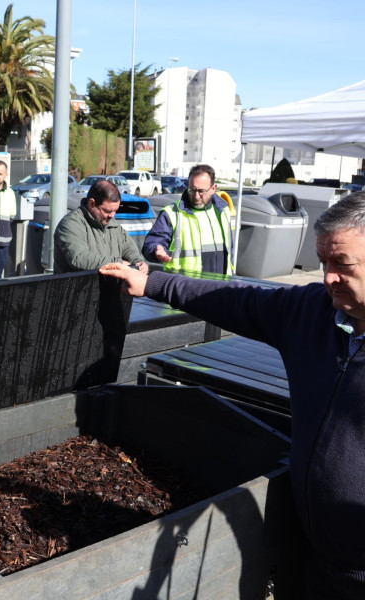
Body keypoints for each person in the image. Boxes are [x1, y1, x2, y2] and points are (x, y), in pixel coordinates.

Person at [99, 191, 365, 599]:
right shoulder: (313, 312)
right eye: (322, 261)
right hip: (311, 556)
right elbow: (233, 299)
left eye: (341, 264)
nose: (327, 277)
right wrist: (152, 282)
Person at [142, 163, 233, 274]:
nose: (196, 196)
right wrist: (157, 250)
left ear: (213, 188)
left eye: (201, 191)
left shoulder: (223, 211)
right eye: (192, 190)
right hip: (185, 287)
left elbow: (229, 250)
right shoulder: (172, 213)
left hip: (220, 286)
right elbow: (151, 243)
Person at [53, 179, 149, 275]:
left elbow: (129, 249)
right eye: (107, 211)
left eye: (115, 210)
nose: (112, 215)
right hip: (76, 288)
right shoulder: (70, 224)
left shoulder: (113, 224)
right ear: (91, 204)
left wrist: (139, 262)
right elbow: (79, 258)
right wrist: (118, 264)